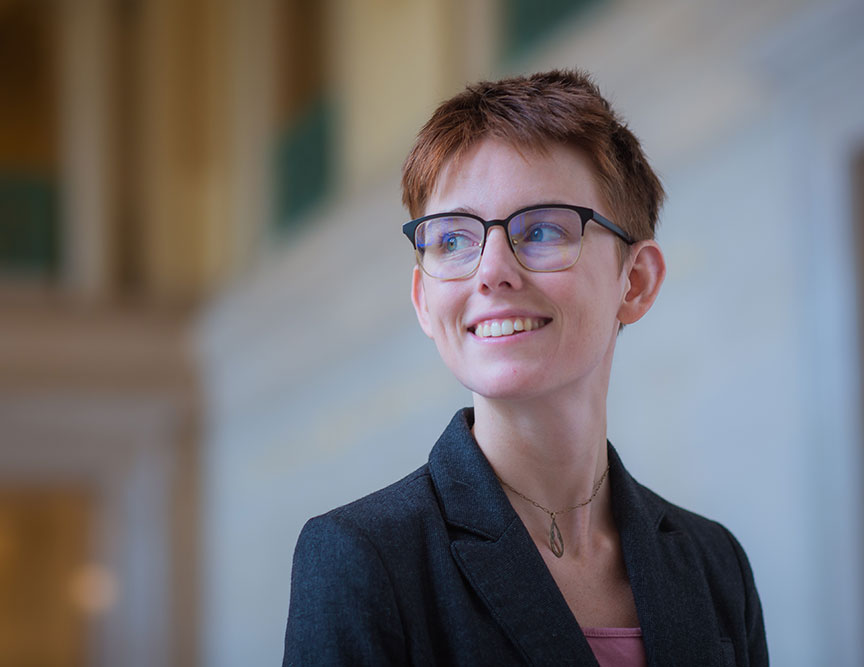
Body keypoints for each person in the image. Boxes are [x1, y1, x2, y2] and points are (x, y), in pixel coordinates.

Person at [283, 70, 767, 666]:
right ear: (424, 300)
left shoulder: (716, 564)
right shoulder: (362, 558)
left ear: (636, 282)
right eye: (453, 240)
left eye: (540, 230)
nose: (491, 271)